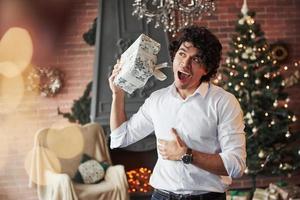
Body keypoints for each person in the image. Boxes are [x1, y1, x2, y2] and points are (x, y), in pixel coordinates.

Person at [108, 26, 246, 200]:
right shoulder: (157, 99)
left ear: (207, 69)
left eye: (196, 59)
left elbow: (236, 165)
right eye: (182, 54)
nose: (185, 63)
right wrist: (118, 94)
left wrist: (186, 155)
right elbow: (120, 137)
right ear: (174, 56)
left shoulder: (224, 102)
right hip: (161, 196)